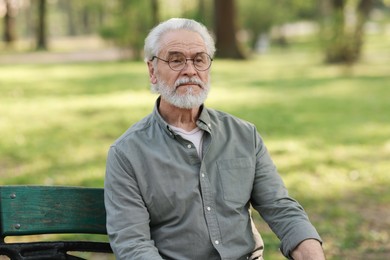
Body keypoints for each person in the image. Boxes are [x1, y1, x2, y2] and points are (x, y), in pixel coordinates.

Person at [104, 18, 325, 260]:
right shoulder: (127, 153)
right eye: (176, 60)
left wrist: (312, 252)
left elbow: (281, 209)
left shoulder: (244, 135)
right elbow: (133, 244)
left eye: (199, 59)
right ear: (152, 71)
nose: (190, 70)